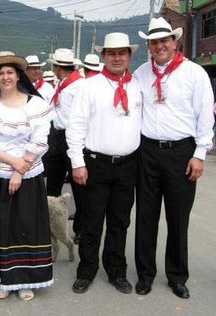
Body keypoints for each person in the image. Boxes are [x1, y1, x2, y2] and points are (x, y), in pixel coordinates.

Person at [134, 17, 214, 299]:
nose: (159, 46)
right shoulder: (141, 73)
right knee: (146, 215)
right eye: (154, 42)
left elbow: (205, 115)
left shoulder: (194, 73)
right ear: (148, 45)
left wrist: (200, 154)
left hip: (181, 152)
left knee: (178, 218)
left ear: (174, 42)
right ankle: (145, 274)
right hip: (147, 151)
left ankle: (177, 276)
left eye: (164, 41)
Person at [0, 51, 54, 301]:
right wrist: (13, 161)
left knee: (23, 226)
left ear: (18, 76)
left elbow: (40, 140)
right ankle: (3, 278)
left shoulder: (35, 105)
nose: (5, 76)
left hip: (27, 175)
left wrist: (18, 170)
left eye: (10, 72)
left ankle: (25, 279)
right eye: (0, 73)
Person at [67, 33, 141, 294]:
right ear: (103, 56)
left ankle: (116, 271)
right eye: (112, 53)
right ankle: (86, 271)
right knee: (91, 221)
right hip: (95, 164)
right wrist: (77, 162)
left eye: (122, 53)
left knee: (120, 221)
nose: (117, 57)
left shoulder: (136, 85)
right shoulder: (90, 86)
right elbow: (75, 126)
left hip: (128, 165)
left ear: (129, 56)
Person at [45, 48, 85, 244]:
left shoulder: (79, 86)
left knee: (79, 186)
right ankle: (48, 224)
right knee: (52, 183)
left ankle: (80, 228)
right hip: (57, 136)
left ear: (58, 66)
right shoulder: (61, 85)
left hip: (72, 137)